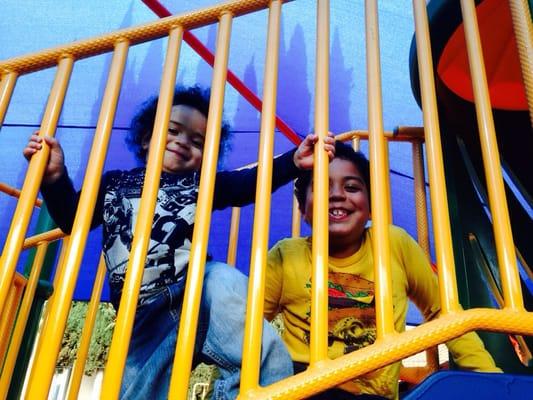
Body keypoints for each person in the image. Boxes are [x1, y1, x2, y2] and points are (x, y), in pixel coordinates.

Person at [23, 85, 335, 400]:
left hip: (194, 291)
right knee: (137, 391)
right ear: (146, 138)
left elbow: (247, 184)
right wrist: (54, 177)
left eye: (197, 142)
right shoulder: (114, 183)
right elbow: (70, 218)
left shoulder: (203, 183)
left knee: (230, 291)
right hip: (142, 315)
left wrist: (292, 162)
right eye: (173, 131)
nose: (183, 142)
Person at [263, 141, 501, 400]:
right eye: (322, 187)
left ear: (371, 208)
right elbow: (247, 324)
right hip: (304, 385)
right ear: (303, 210)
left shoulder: (391, 244)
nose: (337, 195)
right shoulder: (287, 255)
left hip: (372, 395)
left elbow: (443, 312)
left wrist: (488, 378)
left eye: (352, 187)